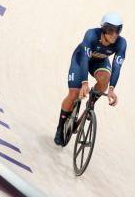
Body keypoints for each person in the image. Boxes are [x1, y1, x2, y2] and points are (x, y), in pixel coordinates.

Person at [54, 13, 127, 146]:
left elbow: (117, 66)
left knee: (106, 78)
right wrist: (84, 83)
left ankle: (90, 103)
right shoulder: (91, 35)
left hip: (99, 62)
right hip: (80, 60)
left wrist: (111, 89)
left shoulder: (121, 43)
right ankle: (60, 127)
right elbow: (84, 59)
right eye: (111, 30)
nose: (114, 34)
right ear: (104, 29)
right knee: (74, 93)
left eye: (118, 30)